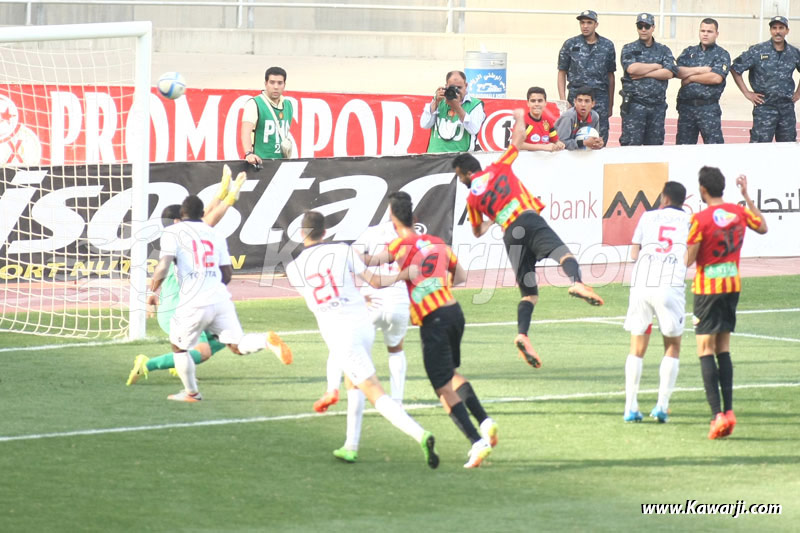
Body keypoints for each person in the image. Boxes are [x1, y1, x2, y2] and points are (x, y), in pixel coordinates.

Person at [452, 109, 604, 370]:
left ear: (466, 173)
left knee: (529, 294)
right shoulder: (499, 167)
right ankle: (577, 283)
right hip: (529, 219)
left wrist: (494, 219)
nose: (461, 180)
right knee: (564, 255)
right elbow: (518, 140)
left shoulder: (472, 198)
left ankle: (522, 334)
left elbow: (477, 231)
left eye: (459, 176)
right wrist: (519, 116)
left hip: (510, 234)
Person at [286, 211, 439, 469]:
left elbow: (317, 295)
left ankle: (420, 434)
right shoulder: (343, 250)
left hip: (339, 332)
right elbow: (375, 282)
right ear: (326, 232)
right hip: (362, 323)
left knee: (373, 390)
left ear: (302, 234)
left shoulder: (293, 268)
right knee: (353, 383)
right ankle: (350, 446)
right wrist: (403, 275)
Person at [126, 168, 292, 386]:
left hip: (191, 304)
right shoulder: (184, 237)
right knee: (203, 350)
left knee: (222, 342)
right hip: (177, 309)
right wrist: (230, 195)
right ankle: (149, 364)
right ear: (178, 221)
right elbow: (209, 219)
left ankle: (180, 367)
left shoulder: (181, 236)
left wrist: (223, 192)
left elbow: (204, 219)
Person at [367, 192, 498, 469]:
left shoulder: (400, 245)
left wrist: (353, 256)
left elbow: (371, 264)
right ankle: (485, 422)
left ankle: (477, 442)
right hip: (454, 312)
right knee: (451, 375)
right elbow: (461, 276)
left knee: (442, 387)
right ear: (415, 217)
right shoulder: (438, 242)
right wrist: (435, 284)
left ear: (393, 219)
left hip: (433, 319)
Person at [311, 221, 411, 464]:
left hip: (371, 300)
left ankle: (331, 388)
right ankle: (397, 401)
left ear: (390, 211)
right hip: (398, 300)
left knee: (342, 345)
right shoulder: (414, 236)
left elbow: (354, 255)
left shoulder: (372, 232)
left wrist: (368, 258)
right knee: (396, 350)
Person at [686, 167, 767, 439]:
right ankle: (729, 411)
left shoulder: (700, 219)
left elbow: (689, 259)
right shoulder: (739, 212)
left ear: (703, 189)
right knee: (724, 348)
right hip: (732, 283)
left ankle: (716, 416)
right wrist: (746, 196)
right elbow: (763, 228)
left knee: (705, 349)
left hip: (708, 287)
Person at [622, 182, 690, 423]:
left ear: (663, 198)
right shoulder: (689, 221)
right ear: (683, 201)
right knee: (672, 345)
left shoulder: (648, 217)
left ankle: (630, 407)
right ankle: (662, 406)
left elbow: (633, 254)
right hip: (669, 284)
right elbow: (689, 257)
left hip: (641, 283)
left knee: (637, 347)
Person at [730, 16, 800, 143]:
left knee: (787, 149)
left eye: (781, 28)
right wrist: (747, 93)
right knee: (759, 149)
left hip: (786, 109)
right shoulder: (758, 50)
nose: (777, 31)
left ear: (787, 31)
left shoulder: (794, 53)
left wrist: (798, 93)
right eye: (774, 28)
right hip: (764, 108)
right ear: (770, 30)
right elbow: (735, 69)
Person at [557, 9, 617, 145]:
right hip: (576, 98)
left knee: (600, 138)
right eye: (582, 23)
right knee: (573, 136)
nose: (585, 26)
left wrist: (610, 103)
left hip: (599, 98)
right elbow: (562, 72)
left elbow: (610, 76)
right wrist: (562, 99)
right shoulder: (570, 44)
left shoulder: (607, 45)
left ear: (596, 24)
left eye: (589, 22)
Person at [619, 13, 678, 146]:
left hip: (656, 107)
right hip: (635, 106)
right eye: (640, 26)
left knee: (654, 149)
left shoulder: (663, 50)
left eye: (647, 26)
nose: (643, 29)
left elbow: (669, 73)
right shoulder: (629, 48)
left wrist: (644, 74)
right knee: (631, 147)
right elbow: (632, 69)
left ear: (653, 28)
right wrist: (656, 66)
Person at [674, 18, 731, 145]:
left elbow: (716, 78)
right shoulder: (689, 52)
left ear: (717, 34)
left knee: (714, 149)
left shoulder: (722, 54)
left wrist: (691, 78)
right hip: (686, 109)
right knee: (683, 149)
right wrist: (701, 70)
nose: (705, 34)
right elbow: (677, 72)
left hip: (708, 108)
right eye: (703, 30)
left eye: (710, 31)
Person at [420, 70, 485, 153]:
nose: (456, 91)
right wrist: (435, 102)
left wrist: (457, 107)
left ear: (466, 85)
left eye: (459, 88)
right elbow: (424, 124)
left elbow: (473, 129)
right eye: (452, 88)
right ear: (446, 86)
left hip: (460, 159)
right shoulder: (439, 100)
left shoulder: (475, 104)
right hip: (434, 157)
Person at [240, 66, 293, 165]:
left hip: (281, 163)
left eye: (280, 83)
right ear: (266, 84)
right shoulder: (254, 103)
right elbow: (245, 133)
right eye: (272, 82)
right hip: (260, 163)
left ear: (284, 85)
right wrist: (249, 153)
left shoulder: (288, 105)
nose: (276, 87)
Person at [519, 87, 565, 152]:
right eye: (533, 101)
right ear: (528, 103)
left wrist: (558, 144)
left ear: (545, 103)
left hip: (545, 160)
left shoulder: (548, 120)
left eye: (540, 101)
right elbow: (517, 144)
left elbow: (555, 140)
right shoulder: (522, 122)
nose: (536, 104)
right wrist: (543, 147)